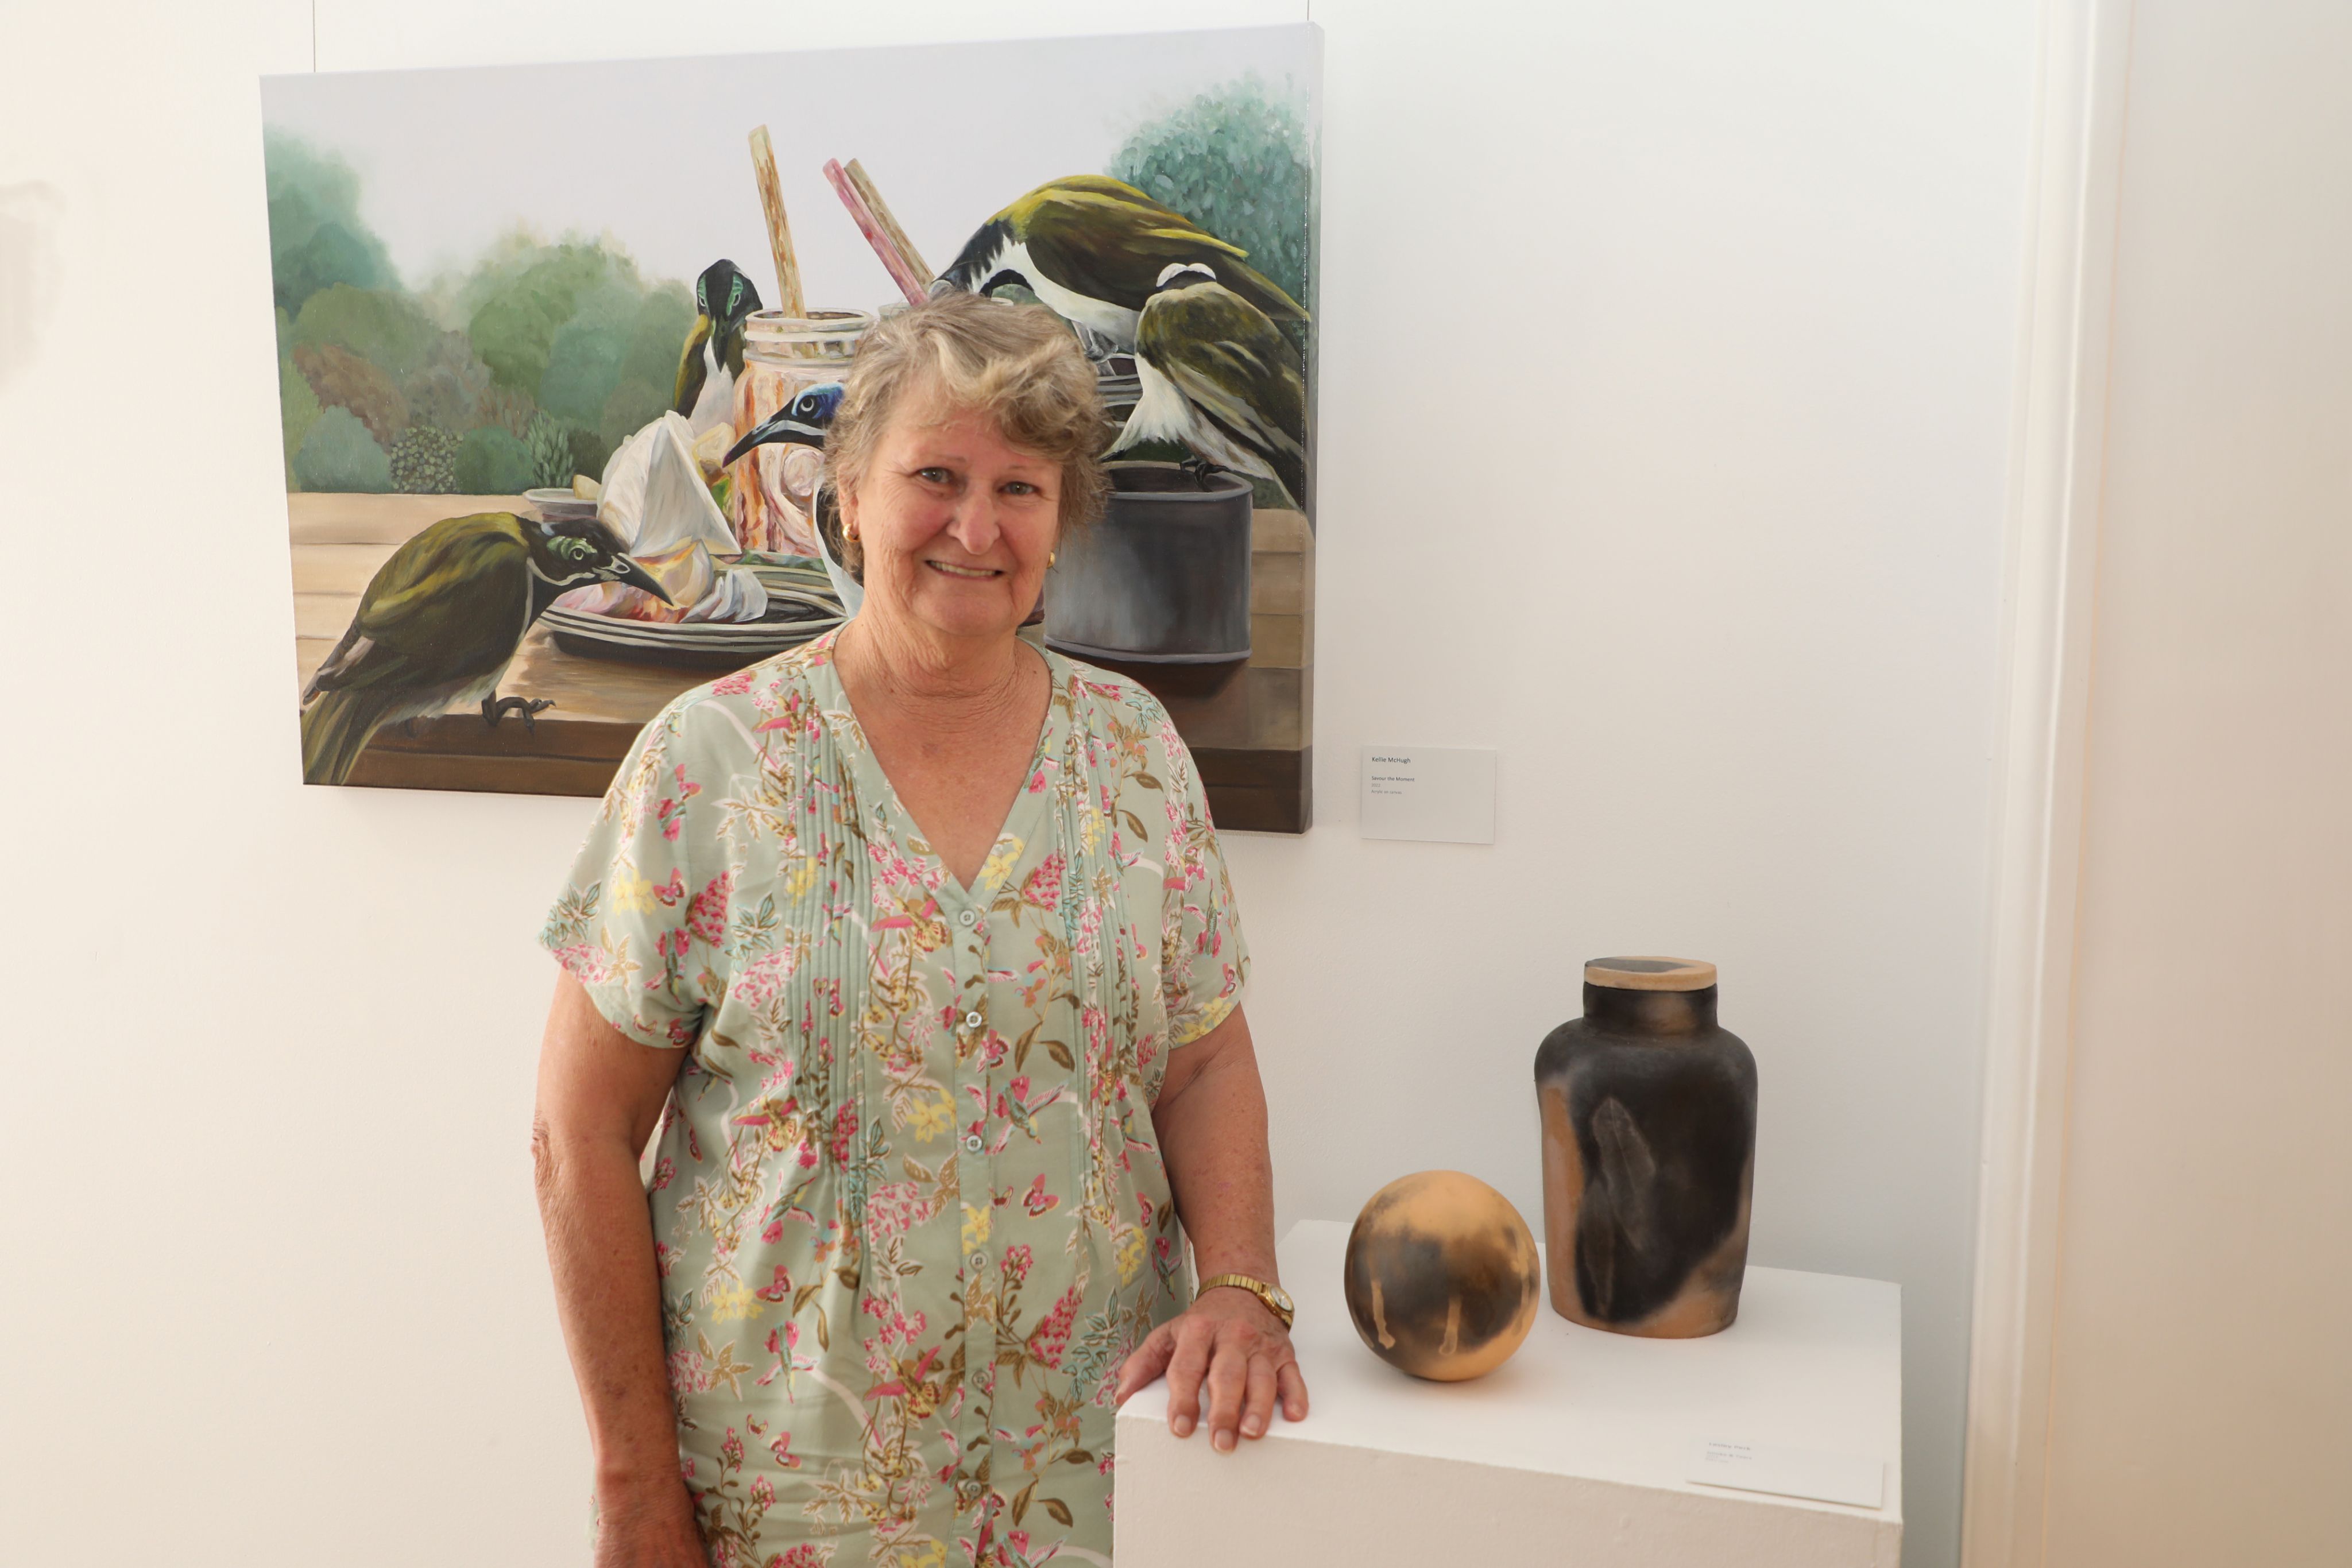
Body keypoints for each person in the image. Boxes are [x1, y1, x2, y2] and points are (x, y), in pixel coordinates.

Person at [533, 291, 1306, 1568]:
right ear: (846, 493)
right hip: (786, 1504)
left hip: (1093, 1487)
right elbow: (579, 1136)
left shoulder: (1135, 755)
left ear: (1060, 519)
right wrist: (631, 1483)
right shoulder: (708, 763)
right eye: (935, 476)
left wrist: (1238, 1284)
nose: (975, 527)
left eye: (1020, 489)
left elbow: (1204, 1060)